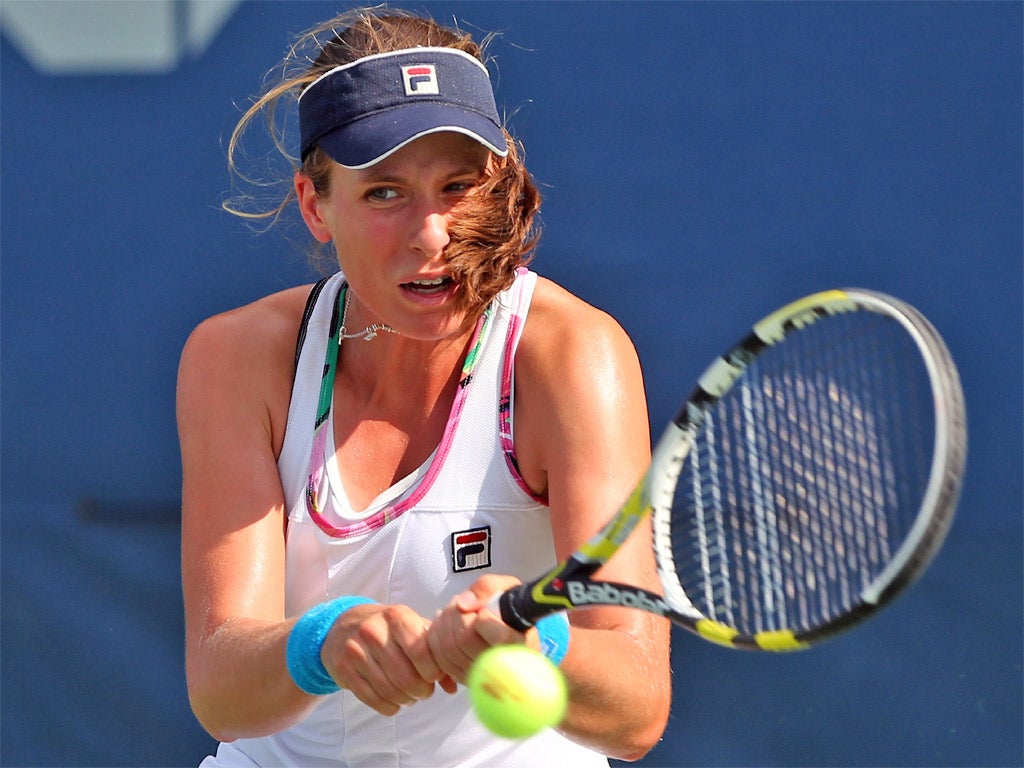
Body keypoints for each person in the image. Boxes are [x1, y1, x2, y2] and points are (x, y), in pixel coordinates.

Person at [177, 7, 671, 766]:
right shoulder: (237, 358)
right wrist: (322, 643)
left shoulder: (573, 355)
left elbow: (635, 707)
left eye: (458, 185)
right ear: (316, 204)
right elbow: (220, 688)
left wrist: (537, 636)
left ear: (498, 182)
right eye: (383, 193)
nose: (432, 234)